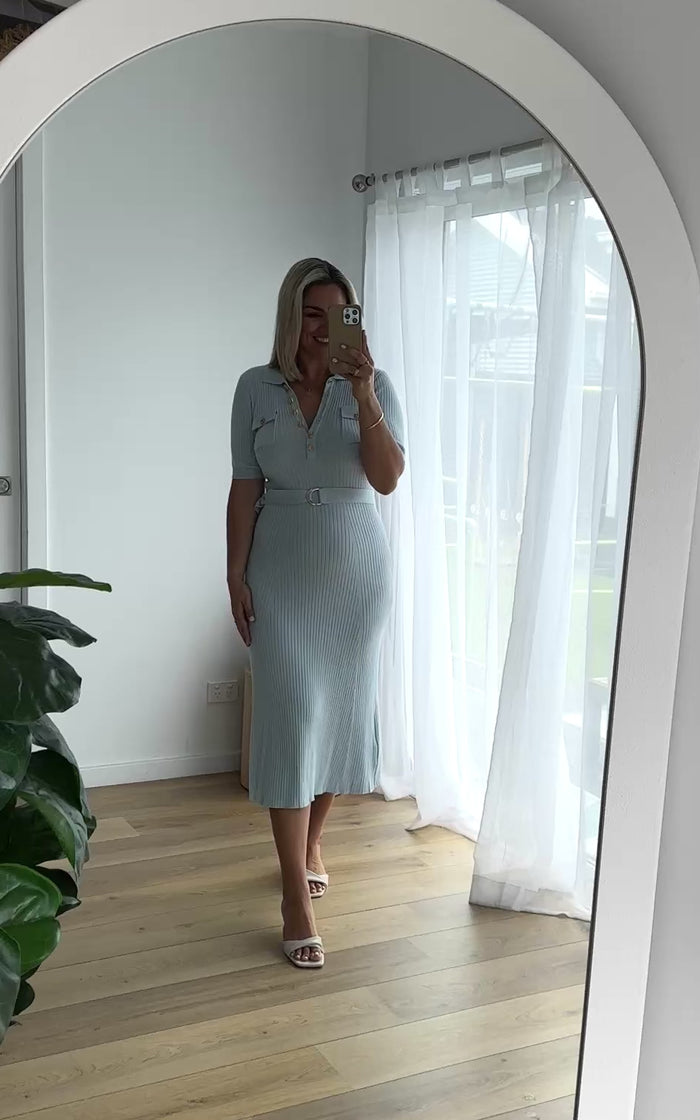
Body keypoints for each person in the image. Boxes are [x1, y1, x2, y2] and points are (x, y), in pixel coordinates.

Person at [227, 258, 405, 969]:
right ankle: (294, 897)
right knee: (291, 715)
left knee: (339, 715)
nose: (324, 329)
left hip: (355, 571)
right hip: (279, 568)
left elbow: (387, 480)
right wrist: (234, 573)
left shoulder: (376, 386)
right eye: (311, 314)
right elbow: (245, 485)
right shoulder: (254, 387)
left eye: (337, 314)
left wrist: (362, 394)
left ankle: (311, 842)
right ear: (289, 316)